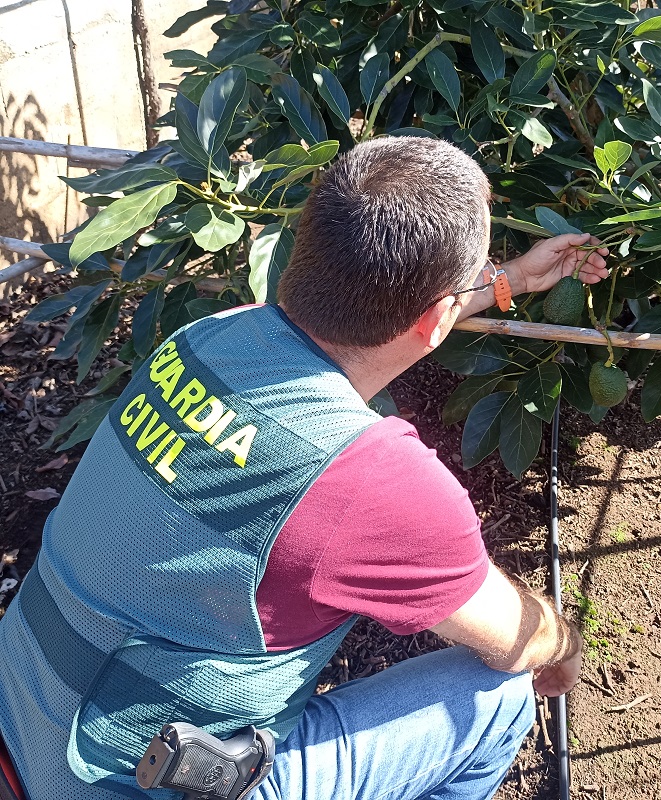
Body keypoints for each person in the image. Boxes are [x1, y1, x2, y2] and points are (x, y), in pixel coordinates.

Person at [0, 136, 608, 800]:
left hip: (20, 721)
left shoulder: (206, 340)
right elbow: (518, 642)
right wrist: (566, 645)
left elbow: (403, 312)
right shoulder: (370, 479)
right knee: (499, 698)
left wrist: (509, 280)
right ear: (438, 317)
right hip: (129, 787)